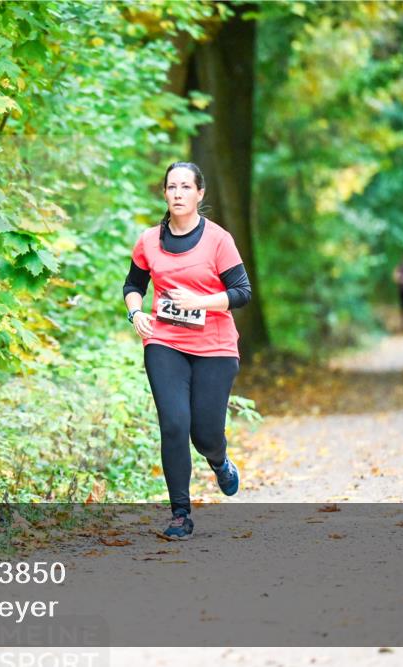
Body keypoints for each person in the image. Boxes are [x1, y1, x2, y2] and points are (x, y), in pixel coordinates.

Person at [122, 161, 252, 540]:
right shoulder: (149, 241)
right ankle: (180, 514)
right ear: (164, 193)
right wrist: (136, 313)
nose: (178, 193)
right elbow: (133, 285)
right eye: (172, 187)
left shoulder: (218, 240)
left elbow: (242, 292)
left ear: (199, 193)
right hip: (165, 341)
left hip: (215, 345)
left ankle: (219, 460)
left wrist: (200, 301)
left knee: (205, 433)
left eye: (185, 187)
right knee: (174, 424)